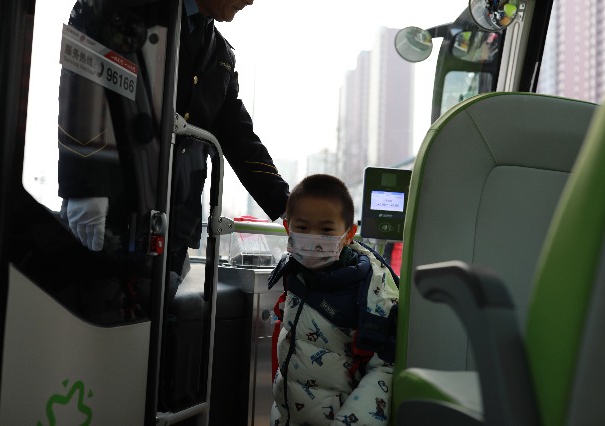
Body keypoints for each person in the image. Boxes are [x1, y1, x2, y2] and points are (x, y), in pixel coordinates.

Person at [58, 0, 289, 279]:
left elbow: (238, 135)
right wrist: (85, 187)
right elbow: (82, 84)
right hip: (110, 212)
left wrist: (286, 205)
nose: (250, 1)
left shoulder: (220, 53)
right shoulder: (124, 8)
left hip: (173, 229)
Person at [267, 174, 399, 426]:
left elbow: (383, 370)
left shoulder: (371, 294)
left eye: (326, 230)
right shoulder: (293, 274)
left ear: (349, 234)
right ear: (287, 228)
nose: (313, 237)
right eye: (302, 228)